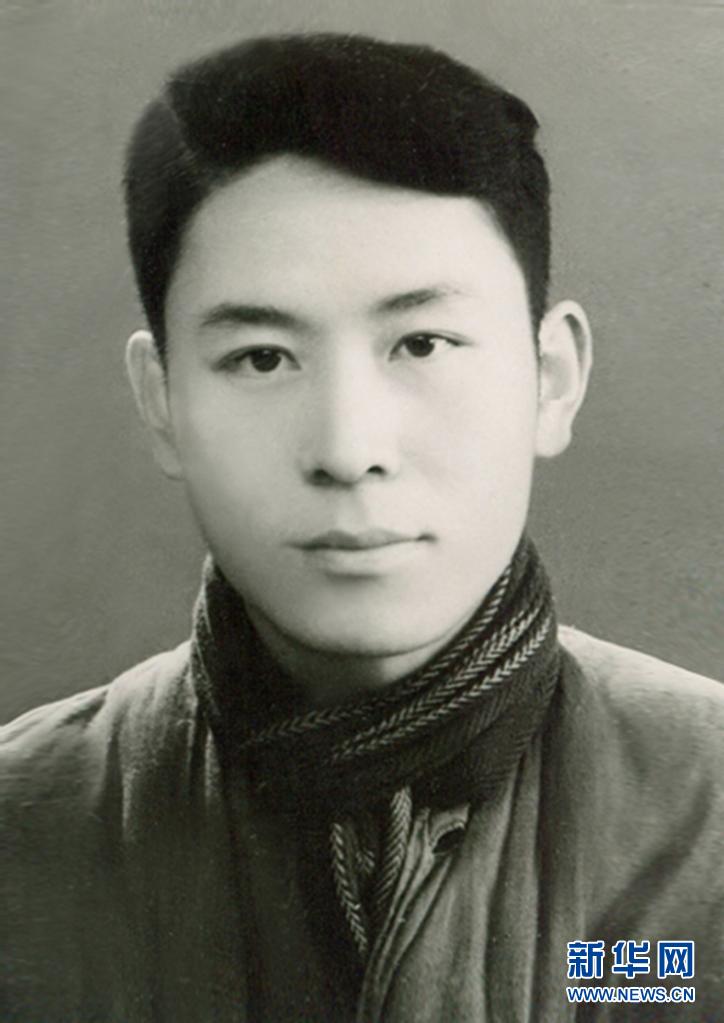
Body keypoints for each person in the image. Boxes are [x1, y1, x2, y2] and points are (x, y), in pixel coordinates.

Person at [1, 32, 722, 1022]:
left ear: (551, 379)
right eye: (262, 358)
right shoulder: (22, 826)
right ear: (161, 401)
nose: (347, 449)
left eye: (421, 343)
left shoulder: (709, 813)